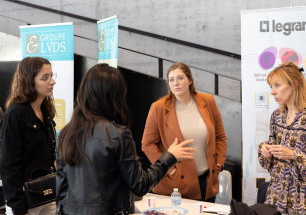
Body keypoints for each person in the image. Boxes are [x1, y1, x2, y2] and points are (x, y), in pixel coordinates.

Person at [56, 64, 196, 215]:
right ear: (114, 96)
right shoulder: (118, 134)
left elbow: (61, 189)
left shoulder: (66, 133)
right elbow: (140, 185)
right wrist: (169, 157)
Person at [142, 62, 227, 202]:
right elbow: (147, 145)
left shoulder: (208, 101)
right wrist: (169, 169)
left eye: (180, 78)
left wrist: (218, 164)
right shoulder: (158, 108)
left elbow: (220, 137)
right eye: (171, 79)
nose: (176, 83)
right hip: (175, 184)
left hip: (206, 180)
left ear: (190, 80)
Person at [258, 62, 306, 215]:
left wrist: (293, 155)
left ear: (294, 85)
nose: (272, 92)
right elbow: (271, 149)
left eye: (277, 85)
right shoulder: (277, 116)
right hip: (278, 195)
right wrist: (265, 150)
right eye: (271, 86)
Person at [0, 57, 57, 215]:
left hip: (48, 195)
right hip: (25, 202)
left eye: (52, 75)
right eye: (45, 77)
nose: (52, 81)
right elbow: (9, 166)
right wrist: (19, 208)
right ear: (28, 81)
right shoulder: (14, 115)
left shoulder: (46, 112)